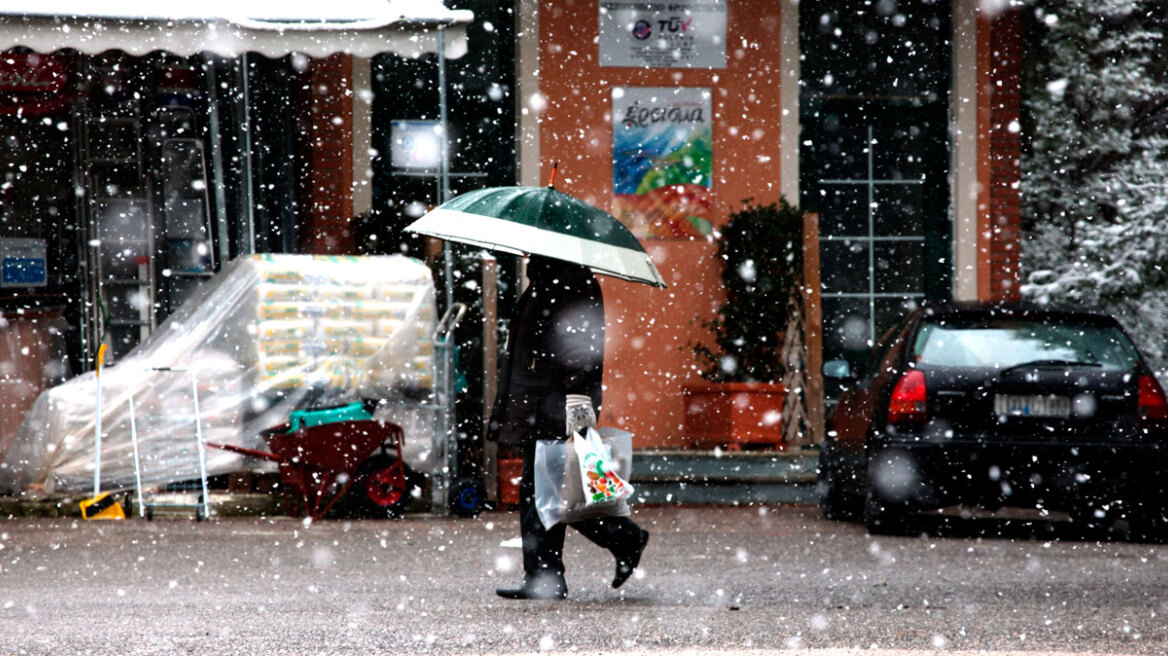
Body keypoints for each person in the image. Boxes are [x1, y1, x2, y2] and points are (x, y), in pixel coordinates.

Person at [488, 254, 649, 600]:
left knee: (555, 491)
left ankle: (619, 540)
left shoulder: (570, 281)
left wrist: (576, 397)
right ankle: (546, 577)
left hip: (556, 403)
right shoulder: (548, 278)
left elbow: (579, 345)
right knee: (544, 491)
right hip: (540, 400)